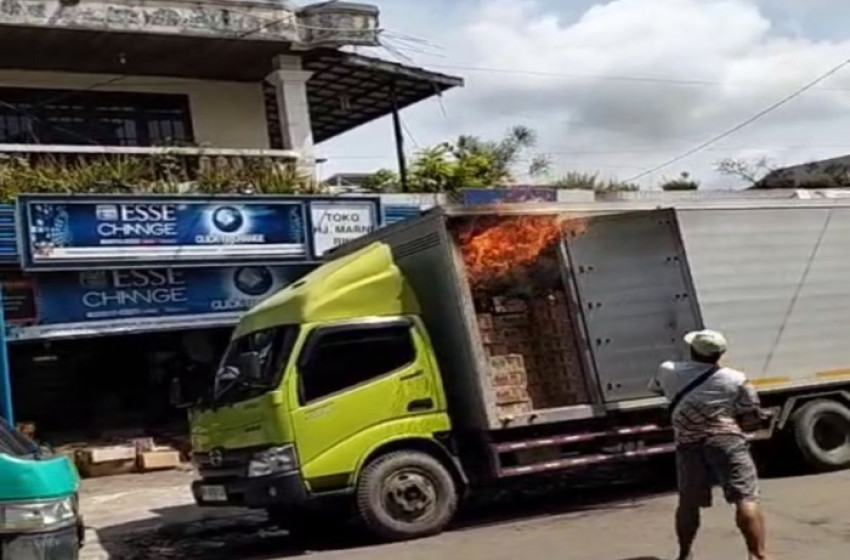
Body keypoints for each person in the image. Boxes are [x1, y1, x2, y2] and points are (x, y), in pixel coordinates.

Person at [649, 329, 772, 560]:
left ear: (693, 350)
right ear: (721, 353)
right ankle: (758, 556)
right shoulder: (736, 378)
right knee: (745, 498)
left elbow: (656, 388)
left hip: (688, 444)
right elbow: (751, 417)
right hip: (727, 442)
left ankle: (685, 554)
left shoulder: (668, 370)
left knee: (688, 504)